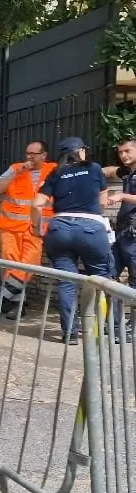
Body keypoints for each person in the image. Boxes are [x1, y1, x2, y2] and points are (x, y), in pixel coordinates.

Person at [32, 137, 118, 344]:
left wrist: (37, 228)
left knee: (67, 282)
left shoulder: (55, 173)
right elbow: (103, 200)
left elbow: (36, 205)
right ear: (80, 151)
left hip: (59, 228)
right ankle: (106, 329)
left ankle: (70, 333)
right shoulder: (94, 168)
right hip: (90, 227)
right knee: (104, 280)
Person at [0, 141, 57, 319]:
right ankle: (17, 306)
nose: (30, 157)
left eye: (34, 153)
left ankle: (2, 297)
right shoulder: (15, 168)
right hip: (10, 227)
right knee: (10, 265)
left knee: (29, 264)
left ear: (44, 155)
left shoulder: (53, 169)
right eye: (28, 153)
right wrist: (19, 171)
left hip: (36, 228)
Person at [103, 138, 136, 341]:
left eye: (127, 151)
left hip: (135, 235)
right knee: (108, 274)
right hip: (122, 233)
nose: (123, 155)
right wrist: (87, 169)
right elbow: (108, 171)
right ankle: (114, 324)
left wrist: (122, 196)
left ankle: (133, 327)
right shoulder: (127, 171)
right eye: (120, 152)